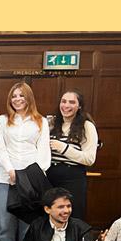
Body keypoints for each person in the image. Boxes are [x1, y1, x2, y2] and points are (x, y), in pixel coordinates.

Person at [0, 82, 51, 241]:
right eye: (14, 96)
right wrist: (10, 169)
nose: (17, 99)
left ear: (29, 98)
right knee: (4, 224)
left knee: (28, 224)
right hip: (5, 177)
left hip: (31, 179)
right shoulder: (2, 121)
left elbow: (43, 149)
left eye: (21, 95)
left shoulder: (41, 121)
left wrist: (31, 175)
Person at [47, 90, 99, 220]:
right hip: (50, 177)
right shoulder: (52, 123)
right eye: (63, 101)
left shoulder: (87, 126)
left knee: (72, 218)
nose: (66, 105)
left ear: (79, 106)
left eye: (72, 102)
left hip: (73, 178)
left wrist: (64, 148)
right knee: (50, 218)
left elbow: (89, 159)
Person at [20, 188, 97, 241]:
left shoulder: (81, 228)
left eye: (68, 206)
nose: (66, 210)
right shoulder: (37, 227)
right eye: (61, 207)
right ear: (47, 209)